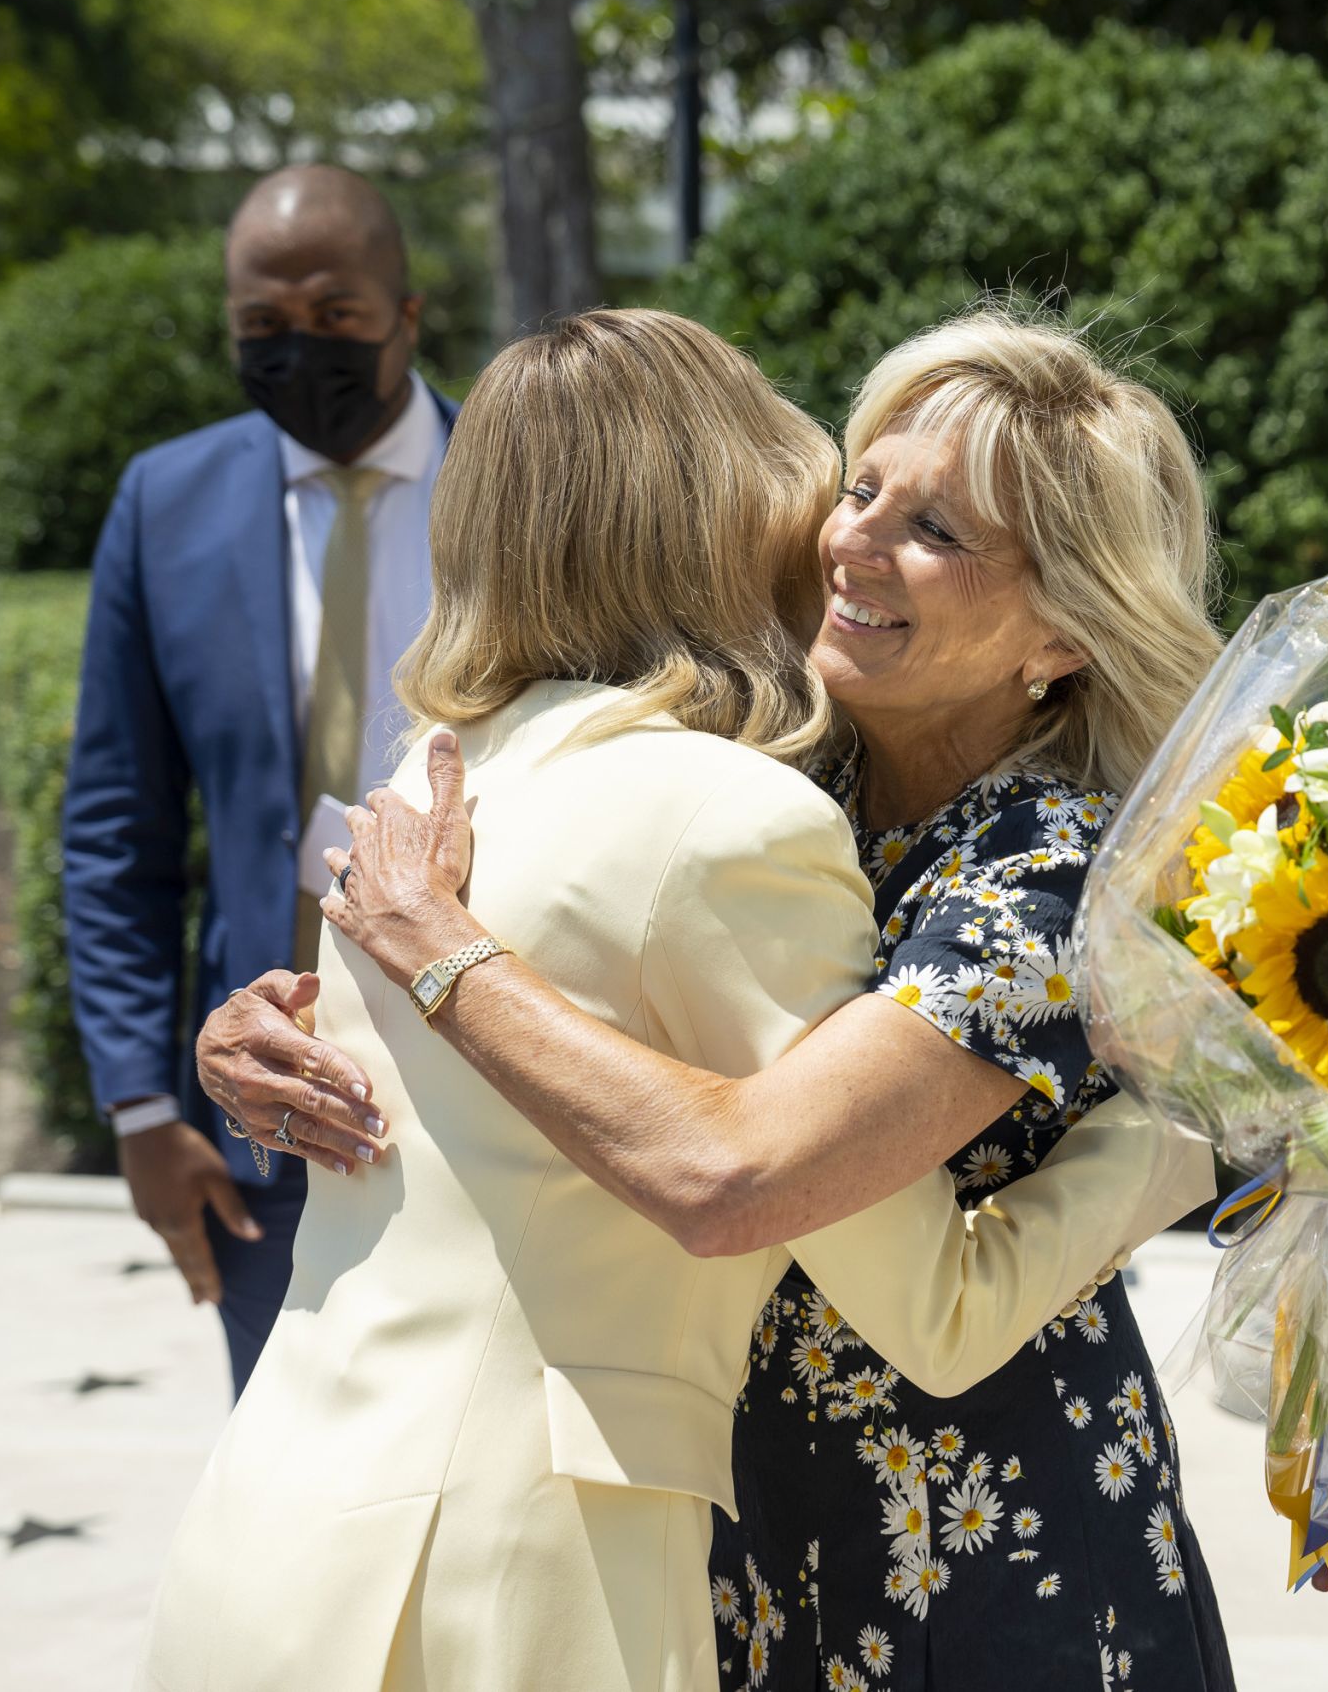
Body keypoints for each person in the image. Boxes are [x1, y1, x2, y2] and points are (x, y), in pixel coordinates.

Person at [139, 309, 1210, 1692]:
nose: (852, 539)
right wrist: (294, 1019)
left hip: (973, 1538)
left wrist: (1202, 1121)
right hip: (726, 1530)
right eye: (864, 487)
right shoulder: (770, 779)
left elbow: (774, 1195)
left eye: (936, 530)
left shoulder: (1055, 867)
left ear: (1063, 628)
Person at [63, 164, 453, 1394]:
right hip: (263, 1093)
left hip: (485, 1066)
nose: (299, 353)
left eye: (334, 318)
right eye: (261, 329)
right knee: (282, 1487)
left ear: (407, 312)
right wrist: (140, 1108)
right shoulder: (164, 502)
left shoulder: (518, 481)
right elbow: (118, 829)